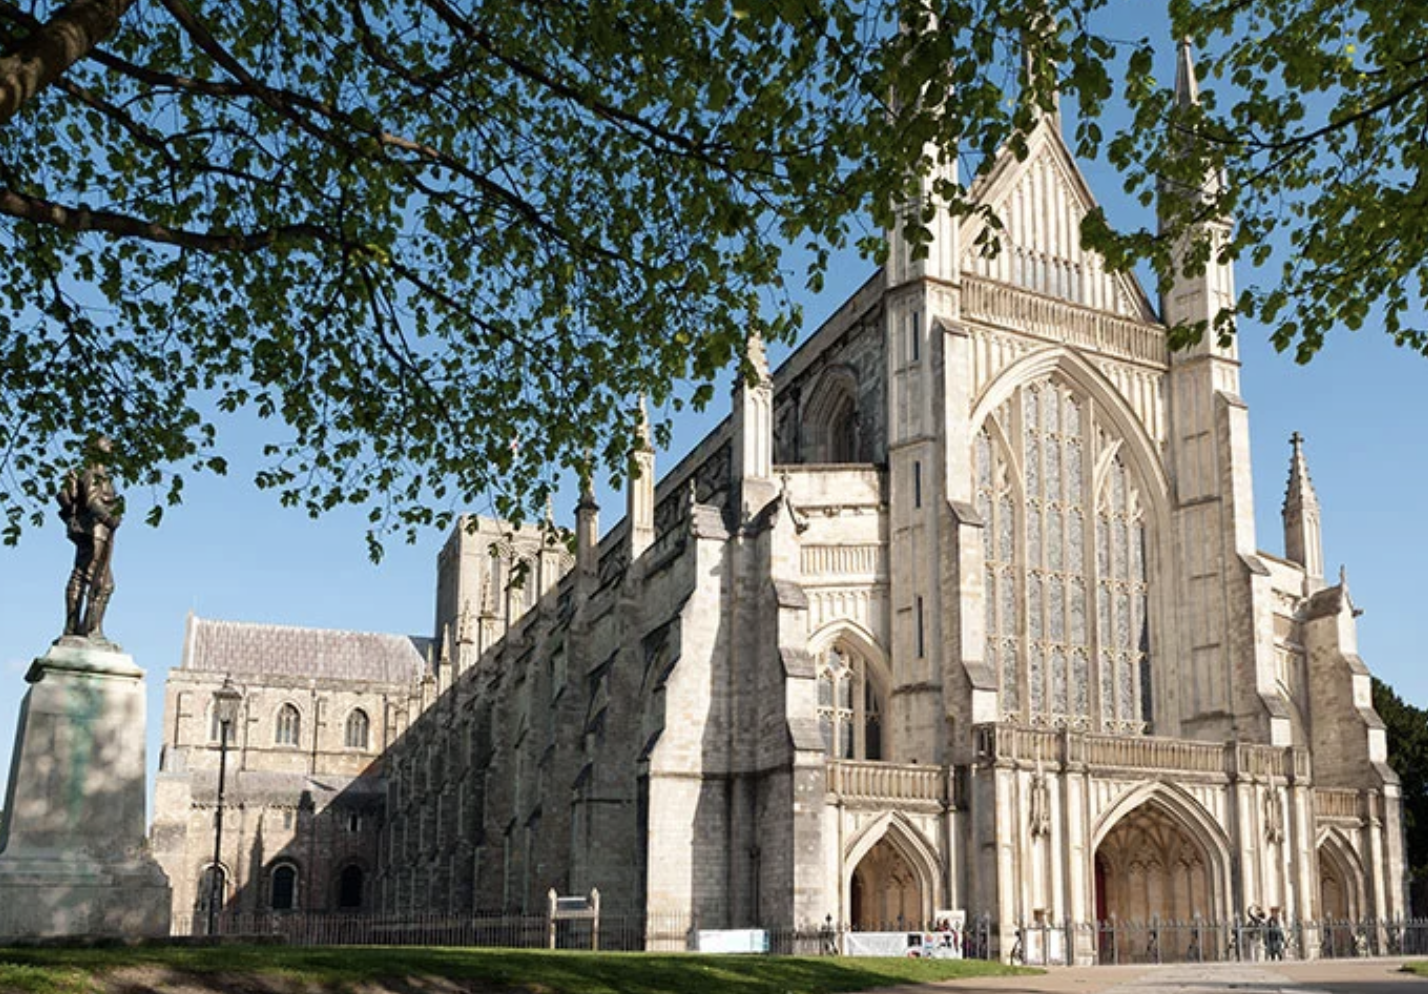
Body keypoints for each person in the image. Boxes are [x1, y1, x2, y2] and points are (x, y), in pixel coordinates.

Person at [58, 435, 122, 641]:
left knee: (97, 581)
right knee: (88, 578)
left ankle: (86, 628)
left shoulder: (102, 475)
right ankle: (82, 628)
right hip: (95, 532)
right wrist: (110, 517)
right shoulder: (93, 474)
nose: (111, 445)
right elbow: (93, 501)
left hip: (102, 532)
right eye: (106, 442)